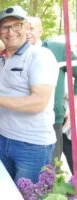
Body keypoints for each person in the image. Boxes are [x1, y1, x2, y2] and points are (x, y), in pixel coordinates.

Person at [0, 6, 59, 183]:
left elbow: (38, 102)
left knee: (27, 194)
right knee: (4, 191)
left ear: (25, 27)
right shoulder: (0, 63)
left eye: (16, 25)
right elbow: (0, 98)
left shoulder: (40, 56)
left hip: (32, 145)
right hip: (3, 138)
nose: (11, 32)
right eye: (5, 27)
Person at [26, 16, 77, 162]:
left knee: (50, 169)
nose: (28, 32)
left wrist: (74, 103)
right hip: (24, 121)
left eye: (32, 28)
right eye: (25, 28)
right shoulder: (17, 53)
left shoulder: (58, 49)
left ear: (40, 30)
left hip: (53, 120)